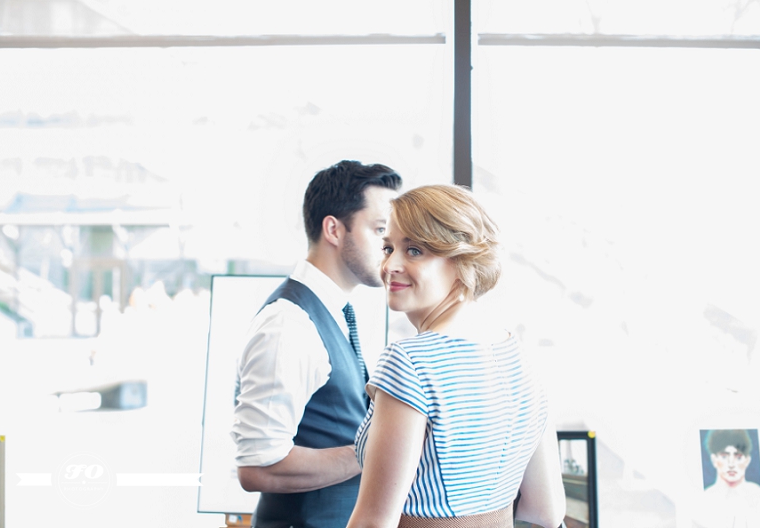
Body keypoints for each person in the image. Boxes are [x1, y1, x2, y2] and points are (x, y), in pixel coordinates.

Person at [347, 185, 566, 528]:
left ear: (463, 260)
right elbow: (546, 513)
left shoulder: (410, 363)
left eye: (415, 250)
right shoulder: (520, 356)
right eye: (388, 248)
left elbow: (373, 523)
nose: (391, 265)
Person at [231, 160, 402, 528]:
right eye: (379, 231)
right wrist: (376, 453)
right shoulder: (288, 324)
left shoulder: (336, 311)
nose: (390, 249)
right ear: (334, 230)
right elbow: (257, 466)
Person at [694, 429, 760, 528]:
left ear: (747, 460)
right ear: (714, 459)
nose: (731, 464)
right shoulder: (705, 499)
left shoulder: (757, 494)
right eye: (724, 456)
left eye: (738, 457)